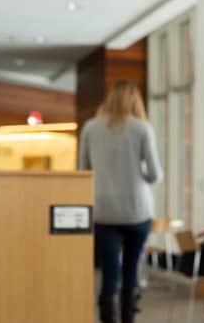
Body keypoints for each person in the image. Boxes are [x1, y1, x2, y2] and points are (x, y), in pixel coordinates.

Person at [79, 80, 162, 323]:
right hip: (137, 209)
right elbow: (155, 174)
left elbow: (83, 170)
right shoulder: (142, 128)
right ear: (135, 101)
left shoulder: (90, 128)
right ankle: (128, 318)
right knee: (131, 267)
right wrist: (139, 174)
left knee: (109, 271)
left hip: (103, 210)